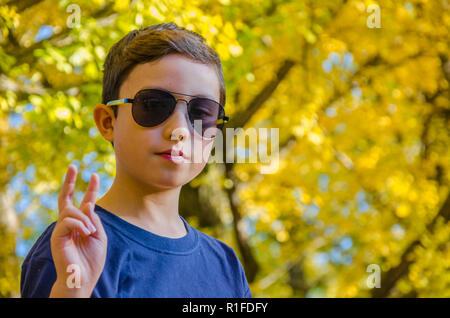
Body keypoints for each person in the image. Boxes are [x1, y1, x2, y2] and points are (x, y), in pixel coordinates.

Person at [20, 22, 252, 298]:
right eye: (154, 105)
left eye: (202, 113)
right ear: (108, 122)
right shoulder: (72, 248)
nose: (179, 130)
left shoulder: (224, 264)